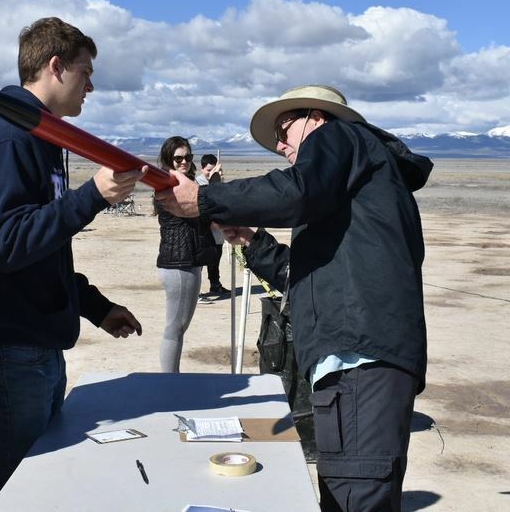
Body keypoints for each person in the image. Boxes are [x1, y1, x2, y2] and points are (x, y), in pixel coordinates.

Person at [156, 84, 431, 511]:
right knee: (345, 490)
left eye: (286, 128)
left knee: (354, 496)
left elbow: (296, 191)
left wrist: (204, 199)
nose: (281, 144)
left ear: (317, 118)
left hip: (360, 360)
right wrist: (252, 242)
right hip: (354, 362)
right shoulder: (349, 188)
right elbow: (309, 275)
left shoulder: (342, 137)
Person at [0, 16, 146, 512]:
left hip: (33, 348)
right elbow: (8, 244)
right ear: (56, 67)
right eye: (85, 72)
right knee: (13, 488)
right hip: (8, 351)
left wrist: (95, 307)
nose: (92, 85)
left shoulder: (39, 140)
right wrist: (93, 196)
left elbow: (44, 253)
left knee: (35, 484)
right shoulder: (8, 140)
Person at [153, 137, 208, 371]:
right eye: (178, 158)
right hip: (179, 262)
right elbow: (200, 213)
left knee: (179, 325)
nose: (184, 161)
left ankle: (172, 376)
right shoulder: (170, 185)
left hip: (186, 259)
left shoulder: (184, 182)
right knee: (175, 325)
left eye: (188, 157)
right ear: (168, 159)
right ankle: (169, 380)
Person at [195, 154, 228, 297]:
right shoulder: (197, 184)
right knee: (200, 263)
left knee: (215, 261)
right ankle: (195, 290)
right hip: (204, 231)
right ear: (202, 169)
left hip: (217, 232)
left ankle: (215, 285)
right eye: (208, 170)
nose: (211, 173)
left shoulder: (219, 182)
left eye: (213, 170)